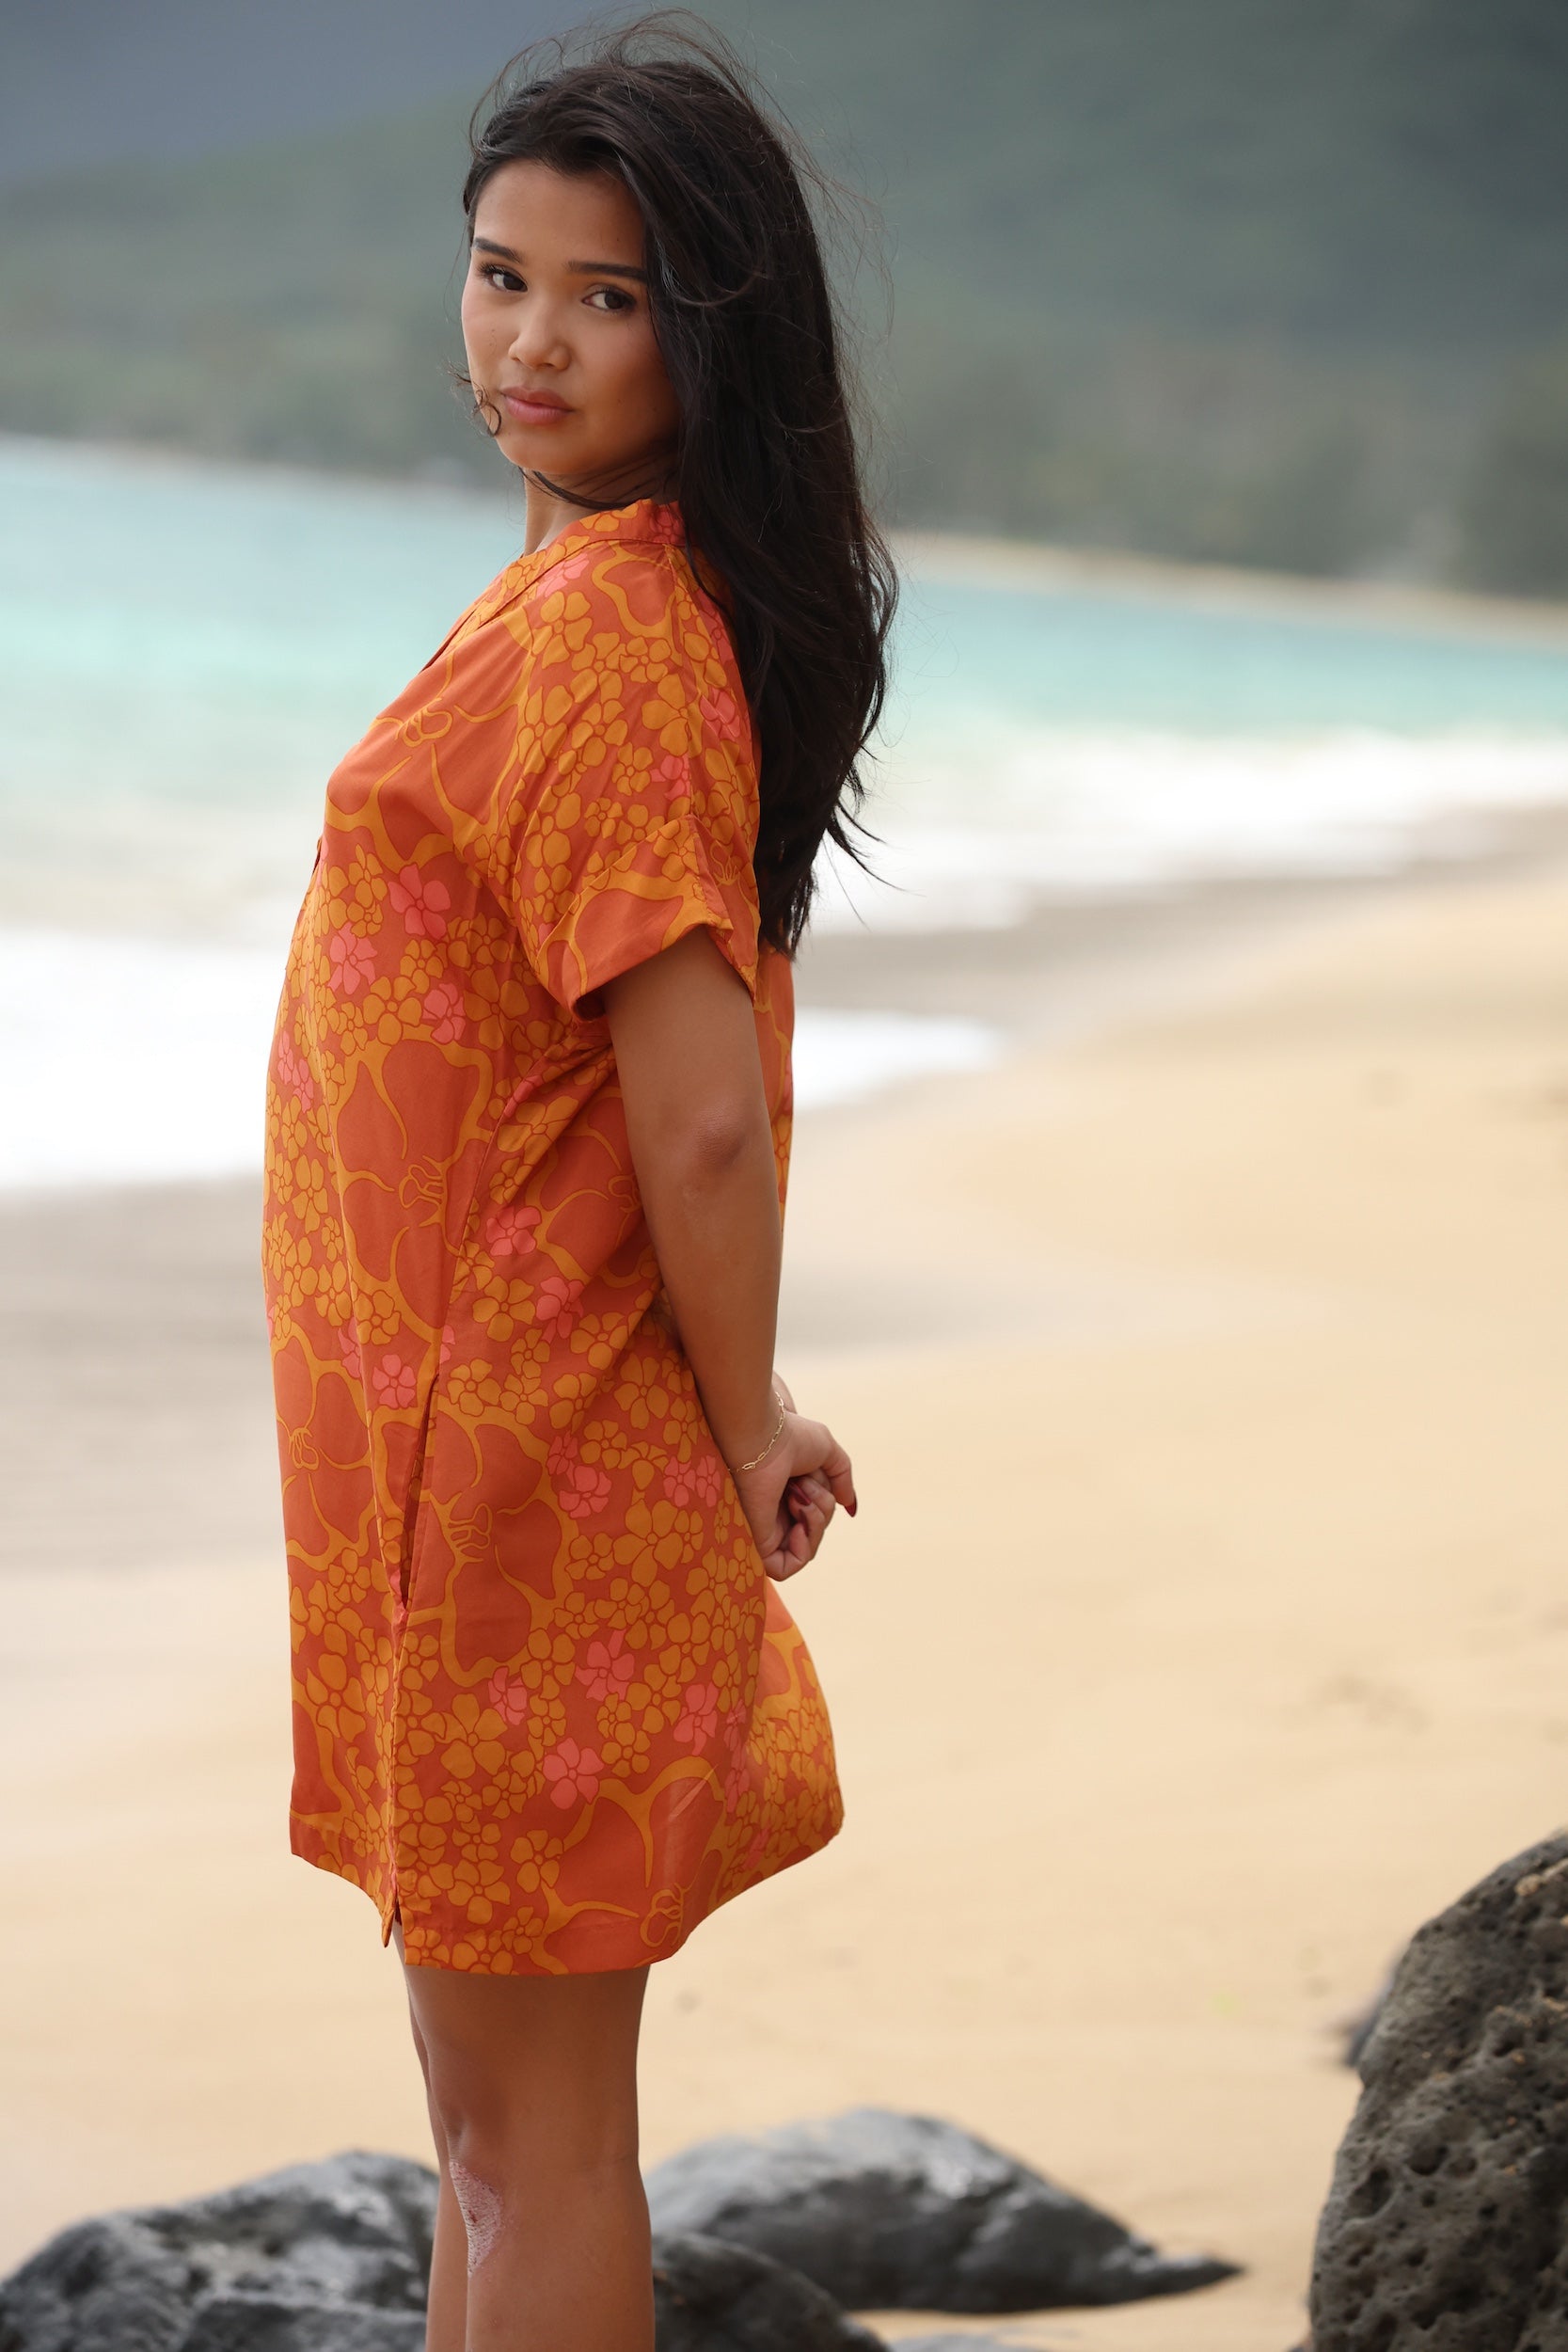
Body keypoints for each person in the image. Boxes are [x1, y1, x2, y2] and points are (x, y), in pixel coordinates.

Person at [261, 17, 895, 2350]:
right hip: (456, 1458)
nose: (530, 339)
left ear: (708, 330)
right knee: (493, 2144)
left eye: (605, 295)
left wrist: (748, 1420)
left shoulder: (621, 649)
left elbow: (700, 1108)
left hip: (513, 1461)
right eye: (499, 273)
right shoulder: (587, 598)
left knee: (535, 2147)